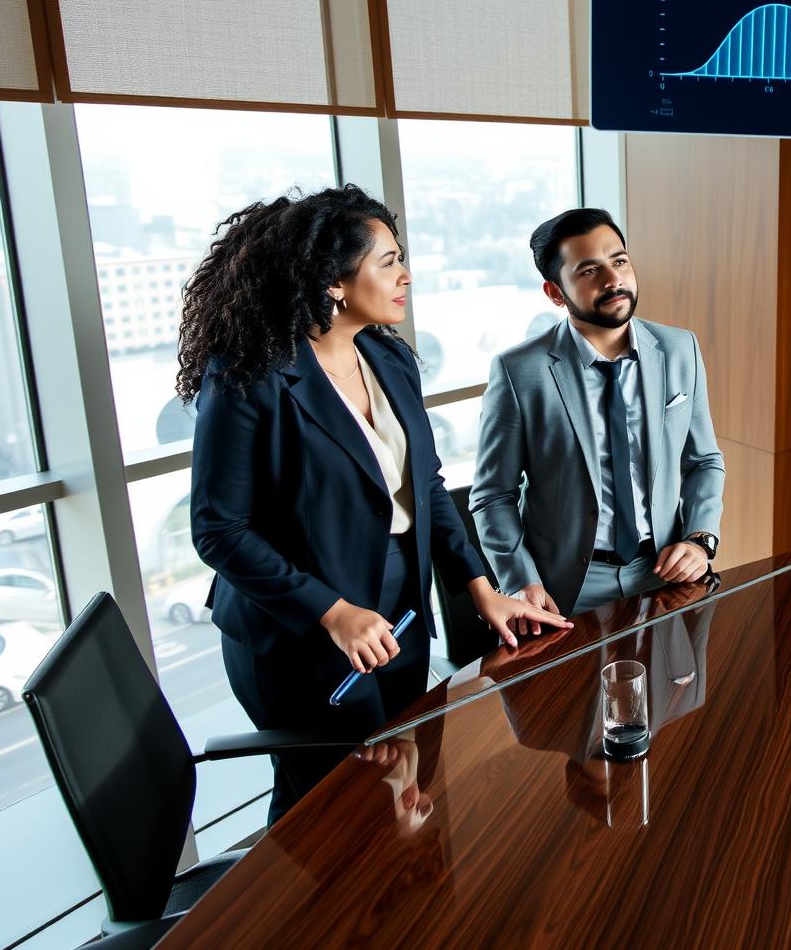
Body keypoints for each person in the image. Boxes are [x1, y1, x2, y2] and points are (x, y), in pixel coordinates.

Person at [180, 186, 570, 823]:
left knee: (406, 788)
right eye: (388, 261)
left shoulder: (387, 356)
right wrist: (332, 614)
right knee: (330, 810)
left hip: (399, 613)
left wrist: (480, 587)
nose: (405, 275)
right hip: (298, 629)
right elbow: (218, 530)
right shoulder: (249, 376)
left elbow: (427, 487)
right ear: (335, 281)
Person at [472, 208, 726, 618]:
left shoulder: (681, 349)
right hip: (564, 589)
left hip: (667, 574)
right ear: (556, 293)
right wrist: (520, 580)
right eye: (589, 271)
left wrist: (700, 538)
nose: (614, 280)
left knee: (675, 682)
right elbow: (492, 495)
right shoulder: (520, 372)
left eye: (620, 261)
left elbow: (704, 461)